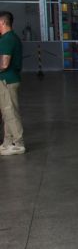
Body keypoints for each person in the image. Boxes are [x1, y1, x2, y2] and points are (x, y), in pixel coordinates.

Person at [0, 11, 24, 155]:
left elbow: (4, 64)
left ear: (2, 22)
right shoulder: (10, 38)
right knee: (6, 112)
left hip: (6, 81)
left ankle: (18, 142)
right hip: (8, 80)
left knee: (10, 112)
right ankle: (8, 141)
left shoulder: (7, 40)